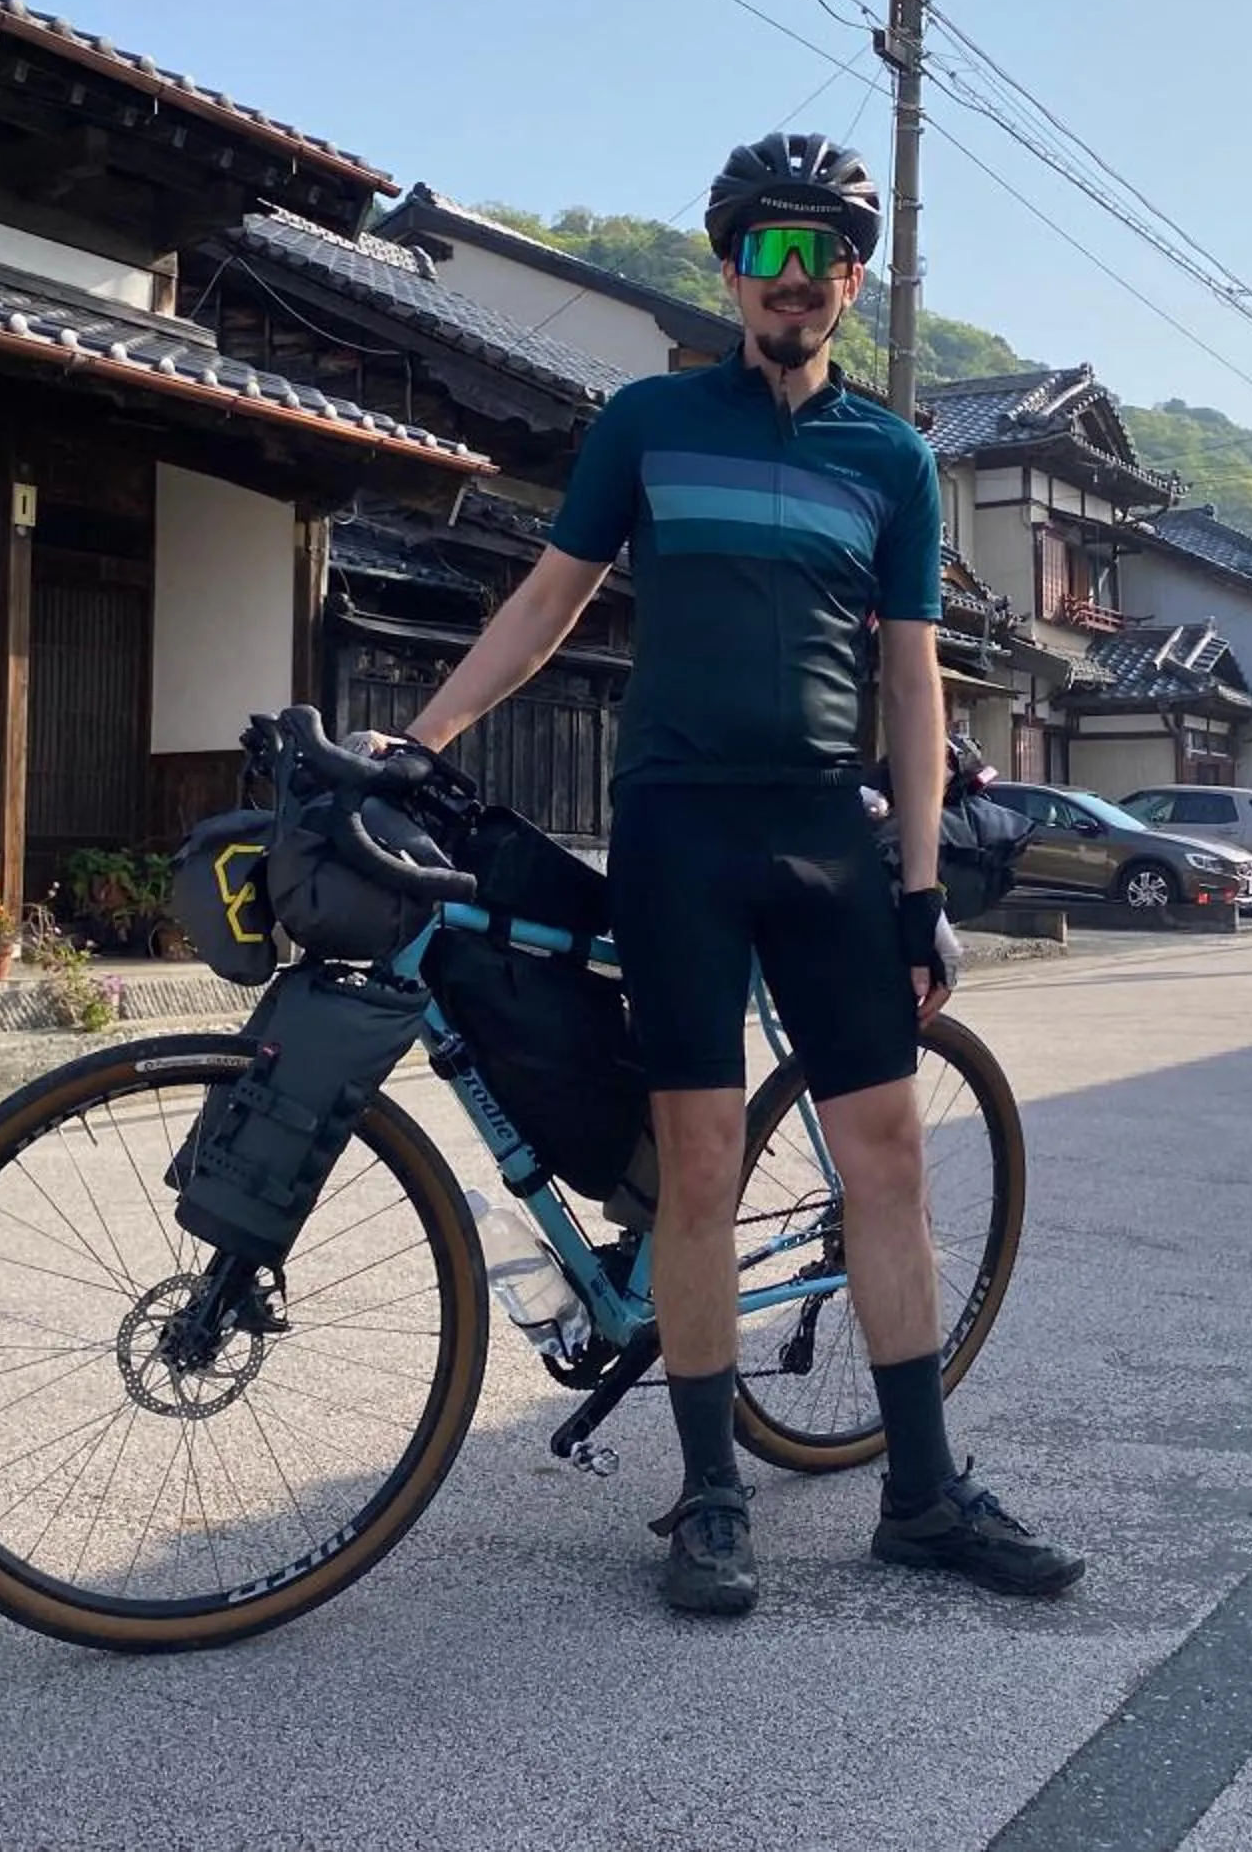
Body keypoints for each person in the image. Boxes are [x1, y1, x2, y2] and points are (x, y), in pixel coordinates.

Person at [383, 132, 1083, 1616]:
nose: (801, 278)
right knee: (696, 1165)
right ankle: (706, 1493)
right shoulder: (646, 423)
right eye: (771, 250)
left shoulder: (893, 459)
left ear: (851, 279)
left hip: (828, 835)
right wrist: (423, 732)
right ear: (726, 268)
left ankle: (923, 1491)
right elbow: (550, 602)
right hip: (680, 829)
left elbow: (913, 684)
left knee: (883, 1159)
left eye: (830, 253)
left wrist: (916, 885)